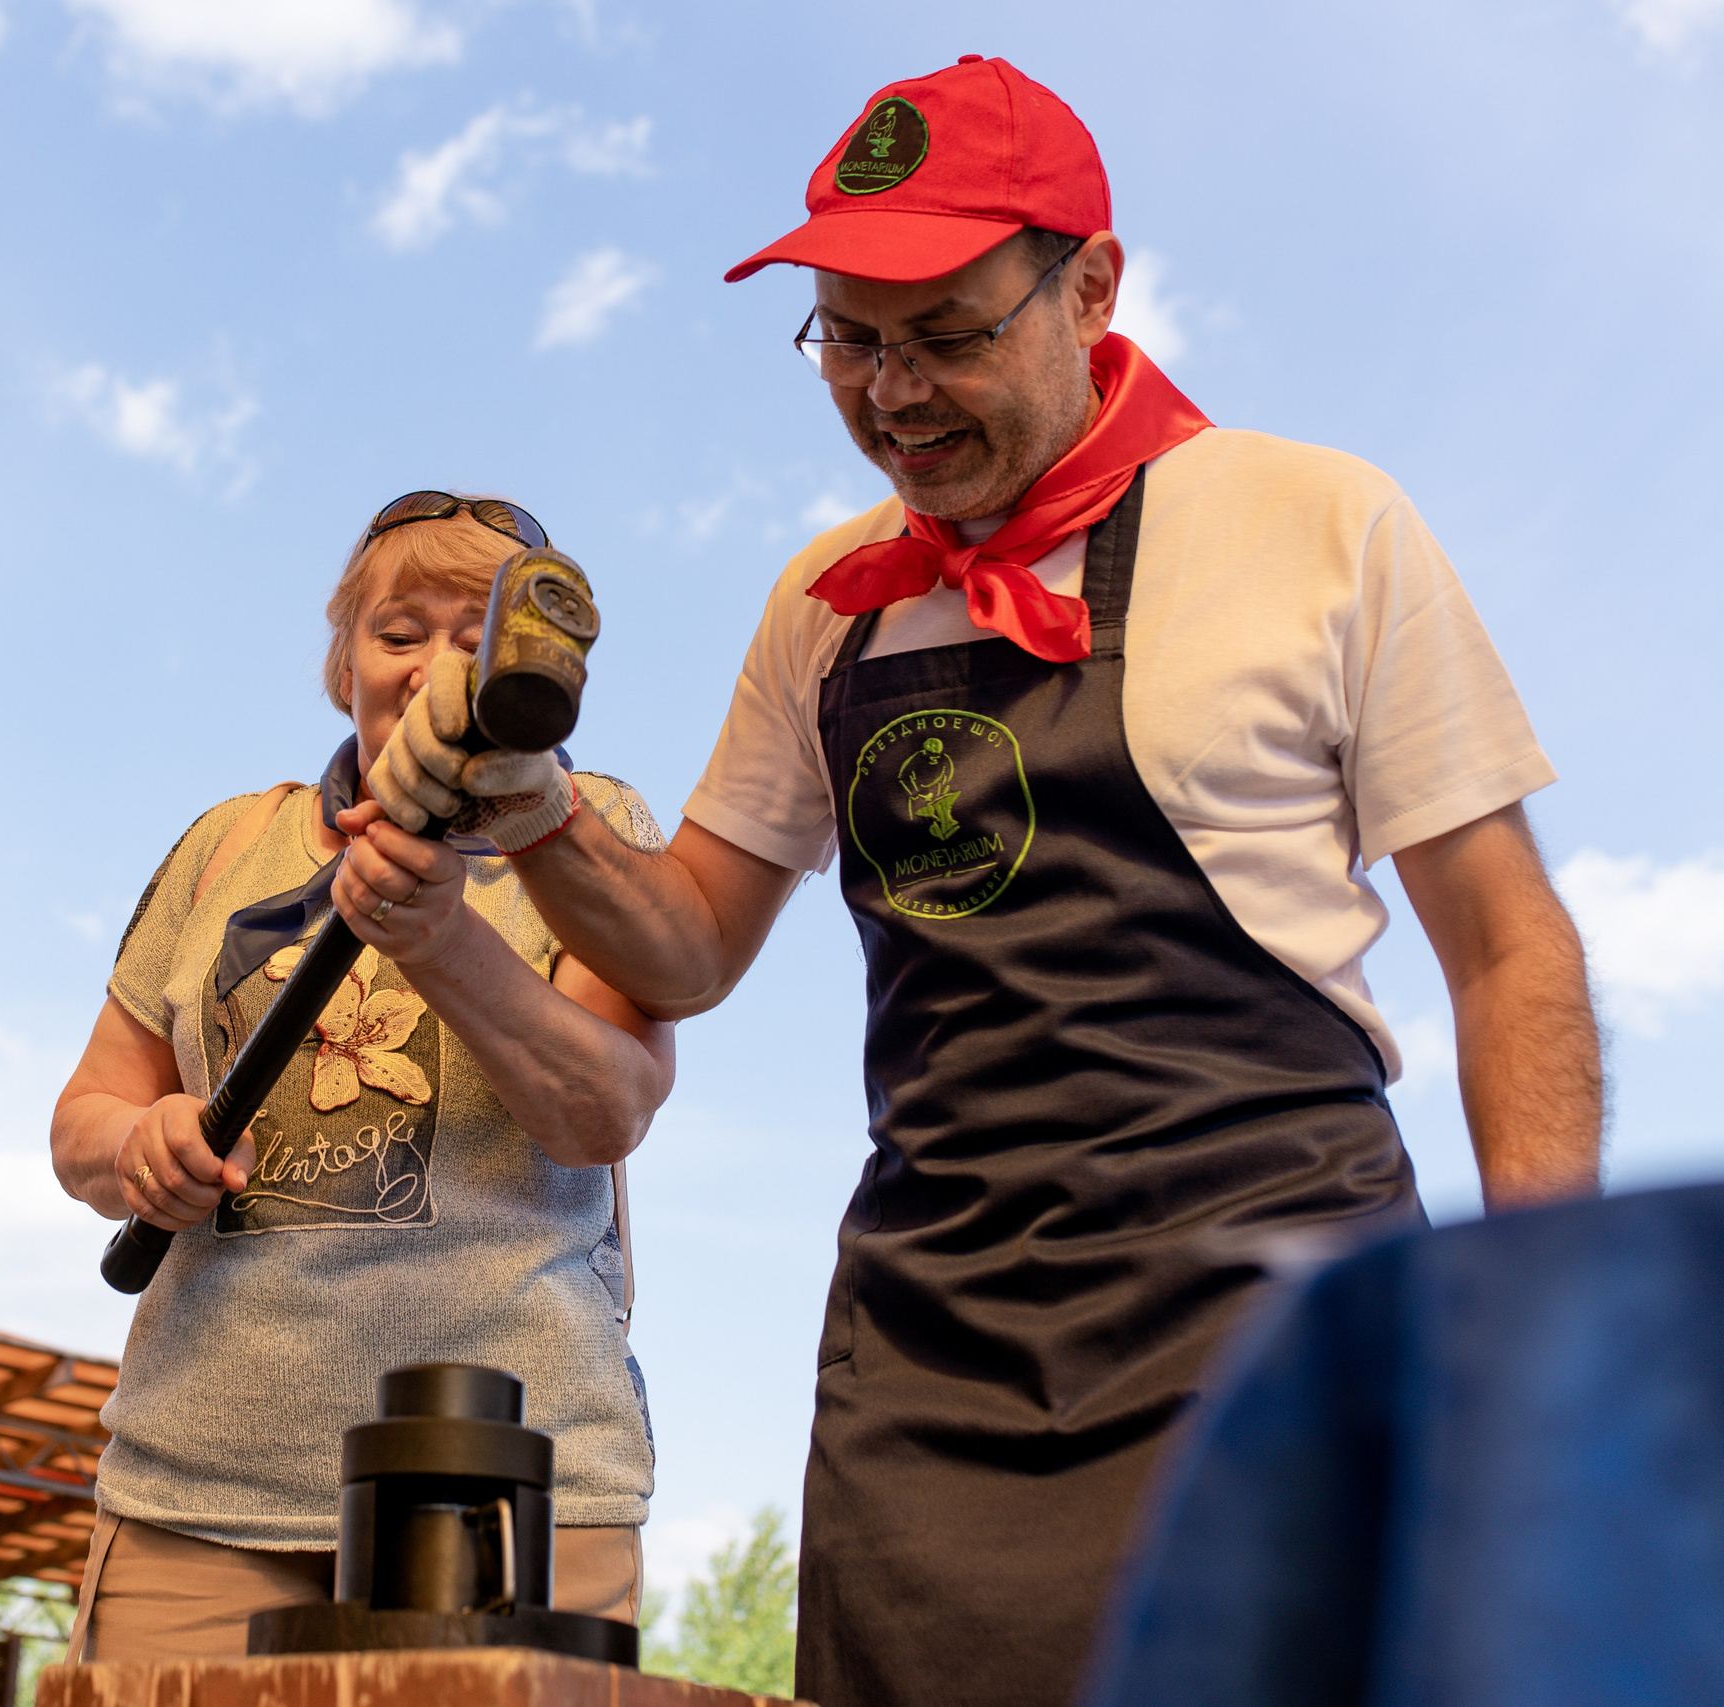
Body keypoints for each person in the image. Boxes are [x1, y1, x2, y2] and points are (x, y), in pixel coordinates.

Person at [347, 57, 1604, 1707]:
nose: (895, 392)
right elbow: (690, 944)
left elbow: (1509, 949)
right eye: (848, 338)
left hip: (1273, 1323)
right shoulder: (829, 599)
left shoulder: (1317, 524)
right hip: (932, 1361)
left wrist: (1540, 1325)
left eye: (946, 334)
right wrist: (536, 809)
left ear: (1091, 287)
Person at [50, 490, 674, 1661]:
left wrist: (443, 942)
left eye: (477, 639)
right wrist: (136, 1145)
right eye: (398, 633)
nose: (433, 667)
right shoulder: (227, 843)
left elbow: (604, 1111)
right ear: (345, 664)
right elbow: (84, 1117)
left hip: (507, 1495)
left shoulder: (593, 829)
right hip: (196, 1488)